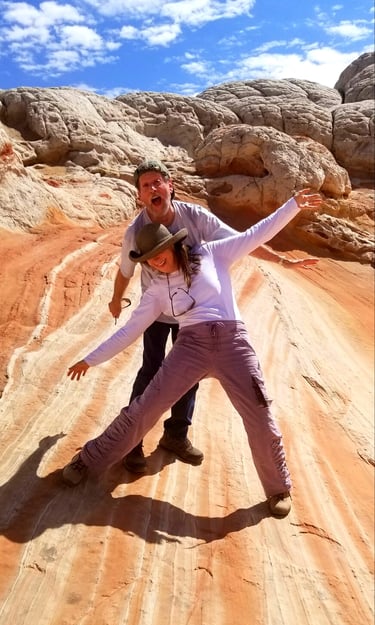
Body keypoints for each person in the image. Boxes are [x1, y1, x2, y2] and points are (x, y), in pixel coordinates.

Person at [62, 188, 322, 517]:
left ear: (172, 243)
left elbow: (256, 234)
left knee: (260, 415)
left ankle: (278, 488)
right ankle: (88, 460)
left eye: (159, 251)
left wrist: (293, 204)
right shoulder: (156, 289)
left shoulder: (213, 253)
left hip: (233, 342)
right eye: (148, 257)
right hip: (191, 346)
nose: (156, 260)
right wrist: (91, 358)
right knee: (144, 410)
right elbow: (130, 331)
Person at [109, 160, 316, 474]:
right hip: (156, 309)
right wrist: (115, 300)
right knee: (151, 370)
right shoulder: (134, 232)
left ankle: (175, 436)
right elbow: (125, 270)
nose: (152, 189)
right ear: (139, 196)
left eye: (157, 183)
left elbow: (245, 240)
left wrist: (281, 261)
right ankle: (132, 444)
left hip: (193, 313)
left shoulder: (194, 216)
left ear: (170, 185)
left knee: (189, 375)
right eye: (145, 186)